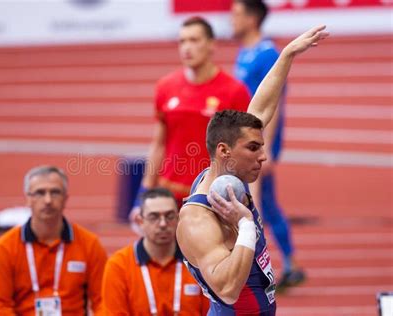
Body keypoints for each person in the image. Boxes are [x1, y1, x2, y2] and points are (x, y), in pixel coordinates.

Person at [177, 25, 329, 315]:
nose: (262, 157)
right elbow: (228, 290)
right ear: (224, 151)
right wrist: (245, 224)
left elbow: (260, 111)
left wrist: (286, 56)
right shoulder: (199, 220)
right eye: (253, 149)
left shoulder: (229, 176)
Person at [131, 16, 251, 214]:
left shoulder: (234, 91)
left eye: (194, 40)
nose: (187, 47)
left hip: (213, 198)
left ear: (211, 45)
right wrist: (142, 194)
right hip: (169, 196)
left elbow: (243, 150)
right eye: (182, 41)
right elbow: (159, 143)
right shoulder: (165, 87)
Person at [231, 0, 306, 289]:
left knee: (258, 204)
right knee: (267, 204)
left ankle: (266, 269)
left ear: (252, 19)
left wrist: (266, 148)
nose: (231, 20)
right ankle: (290, 264)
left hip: (257, 143)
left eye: (236, 14)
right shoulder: (246, 52)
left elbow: (273, 102)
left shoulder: (267, 54)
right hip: (246, 140)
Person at [0, 165, 107, 315]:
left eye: (55, 192)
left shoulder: (89, 244)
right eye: (40, 193)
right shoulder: (5, 247)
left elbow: (103, 302)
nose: (48, 200)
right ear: (28, 199)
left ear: (66, 198)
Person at [102, 188, 209, 315]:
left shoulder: (197, 261)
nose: (163, 223)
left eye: (169, 216)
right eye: (154, 217)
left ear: (178, 219)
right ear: (140, 221)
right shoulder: (119, 265)